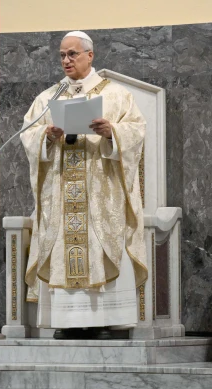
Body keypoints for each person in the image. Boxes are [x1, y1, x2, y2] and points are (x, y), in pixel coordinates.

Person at [20, 31, 147, 339]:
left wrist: (110, 132)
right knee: (64, 249)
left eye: (73, 54)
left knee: (98, 247)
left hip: (100, 196)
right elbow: (28, 135)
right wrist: (46, 136)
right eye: (62, 55)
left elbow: (137, 132)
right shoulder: (47, 98)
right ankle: (66, 321)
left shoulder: (117, 96)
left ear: (91, 56)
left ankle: (104, 320)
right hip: (62, 193)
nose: (66, 60)